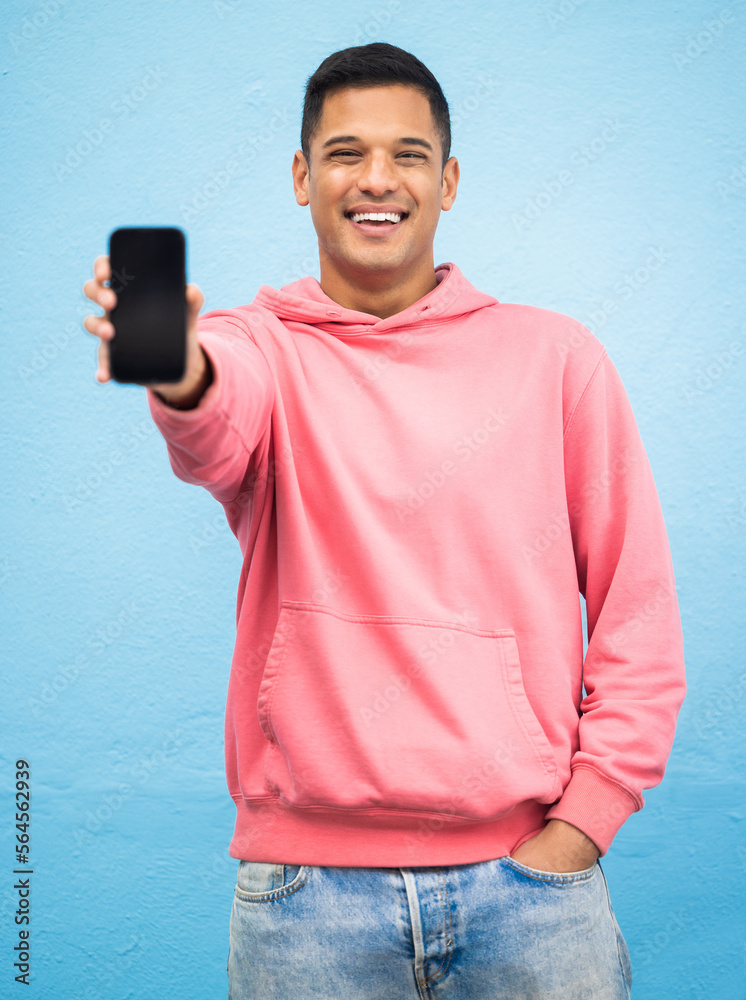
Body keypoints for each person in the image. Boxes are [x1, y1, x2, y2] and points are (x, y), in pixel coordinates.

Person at [83, 41, 686, 1000]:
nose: (377, 179)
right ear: (301, 176)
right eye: (345, 152)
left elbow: (638, 612)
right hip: (305, 901)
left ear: (446, 182)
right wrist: (179, 374)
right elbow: (215, 426)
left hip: (533, 891)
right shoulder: (256, 348)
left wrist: (583, 826)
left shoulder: (557, 359)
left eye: (408, 155)